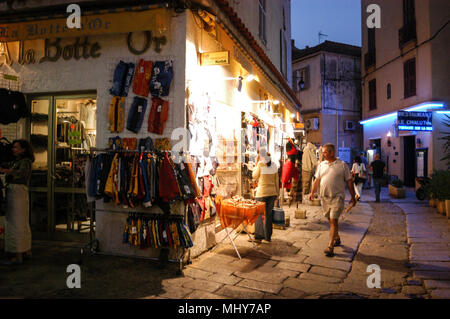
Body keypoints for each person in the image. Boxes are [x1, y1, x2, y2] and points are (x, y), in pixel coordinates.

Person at [308, 143, 356, 257]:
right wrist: (312, 192)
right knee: (330, 219)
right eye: (322, 152)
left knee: (333, 220)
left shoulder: (342, 165)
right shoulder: (321, 165)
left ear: (332, 152)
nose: (323, 154)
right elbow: (317, 180)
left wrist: (353, 197)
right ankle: (337, 237)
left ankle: (330, 246)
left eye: (325, 152)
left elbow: (349, 181)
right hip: (324, 197)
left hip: (337, 197)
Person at [0, 139, 34, 265]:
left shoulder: (25, 162)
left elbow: (22, 174)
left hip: (17, 192)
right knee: (21, 222)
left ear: (23, 149)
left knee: (16, 223)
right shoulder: (17, 161)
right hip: (17, 192)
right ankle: (26, 251)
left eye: (16, 147)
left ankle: (18, 254)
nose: (14, 149)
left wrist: (6, 171)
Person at [252, 148, 279, 243]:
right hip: (272, 193)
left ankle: (259, 236)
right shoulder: (274, 165)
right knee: (268, 215)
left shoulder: (260, 164)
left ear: (261, 156)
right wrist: (277, 194)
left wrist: (256, 164)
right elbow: (276, 180)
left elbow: (254, 176)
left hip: (262, 193)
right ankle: (268, 237)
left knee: (258, 214)